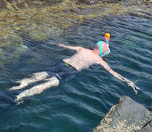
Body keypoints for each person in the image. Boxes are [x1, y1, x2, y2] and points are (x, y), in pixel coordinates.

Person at [10, 33, 139, 102]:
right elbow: (113, 72)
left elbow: (64, 46)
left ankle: (15, 87)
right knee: (48, 84)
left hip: (62, 63)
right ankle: (20, 96)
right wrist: (128, 81)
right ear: (103, 53)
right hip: (71, 70)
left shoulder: (81, 48)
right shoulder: (99, 60)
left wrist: (51, 42)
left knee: (41, 74)